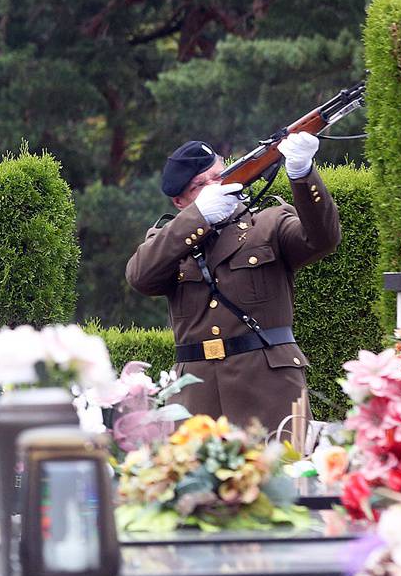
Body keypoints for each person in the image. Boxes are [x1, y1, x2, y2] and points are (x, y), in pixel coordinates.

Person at [125, 132, 340, 433]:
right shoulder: (169, 241)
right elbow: (140, 277)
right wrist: (199, 218)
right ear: (180, 200)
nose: (215, 186)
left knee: (281, 477)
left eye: (219, 175)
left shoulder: (268, 223)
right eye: (201, 185)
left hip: (269, 391)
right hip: (197, 399)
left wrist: (302, 173)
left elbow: (322, 239)